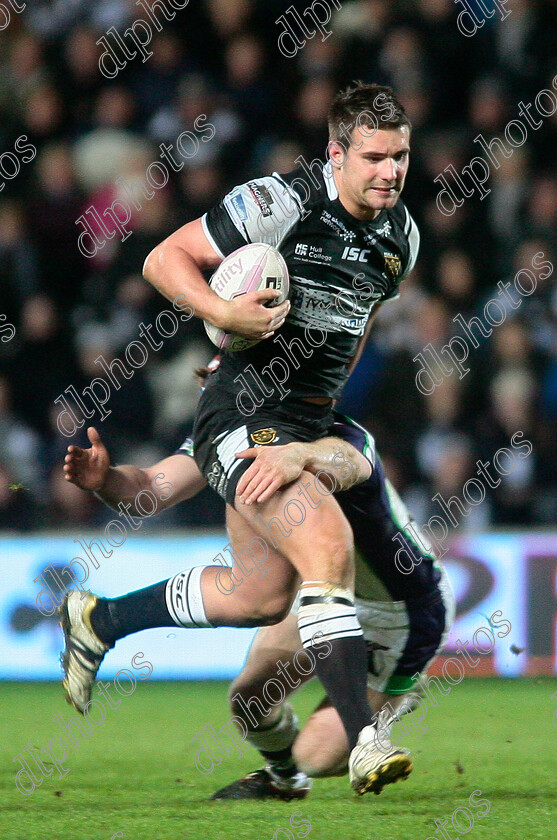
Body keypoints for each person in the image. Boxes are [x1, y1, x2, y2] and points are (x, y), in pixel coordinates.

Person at [60, 82, 421, 795]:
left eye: (400, 156)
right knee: (327, 545)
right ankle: (364, 741)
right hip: (242, 411)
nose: (390, 171)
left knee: (259, 597)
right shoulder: (278, 202)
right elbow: (164, 258)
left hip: (304, 419)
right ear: (336, 154)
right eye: (374, 157)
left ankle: (98, 617)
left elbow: (356, 324)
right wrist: (224, 311)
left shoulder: (399, 237)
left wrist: (313, 402)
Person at [63, 417, 453, 800]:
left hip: (401, 614)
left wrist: (299, 455)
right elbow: (148, 488)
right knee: (250, 701)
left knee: (316, 755)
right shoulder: (231, 435)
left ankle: (397, 696)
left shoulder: (340, 435)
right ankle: (284, 779)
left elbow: (350, 462)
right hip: (320, 594)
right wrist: (106, 481)